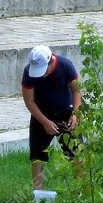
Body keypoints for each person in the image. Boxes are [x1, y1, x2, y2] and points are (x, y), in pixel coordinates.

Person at [21, 45, 82, 190]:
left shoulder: (65, 66)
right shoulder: (28, 72)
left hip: (65, 113)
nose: (41, 75)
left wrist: (75, 113)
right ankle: (38, 192)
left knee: (75, 153)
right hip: (40, 115)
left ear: (51, 61)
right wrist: (44, 122)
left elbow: (77, 89)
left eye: (43, 70)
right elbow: (29, 101)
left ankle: (82, 191)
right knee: (37, 155)